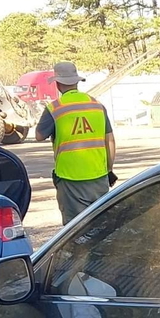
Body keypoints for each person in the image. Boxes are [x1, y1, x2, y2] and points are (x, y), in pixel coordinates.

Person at [35, 61, 117, 223]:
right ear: (76, 81)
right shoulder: (97, 105)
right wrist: (109, 169)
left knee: (75, 227)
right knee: (101, 224)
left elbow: (39, 135)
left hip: (70, 179)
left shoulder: (55, 108)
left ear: (57, 83)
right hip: (99, 177)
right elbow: (110, 140)